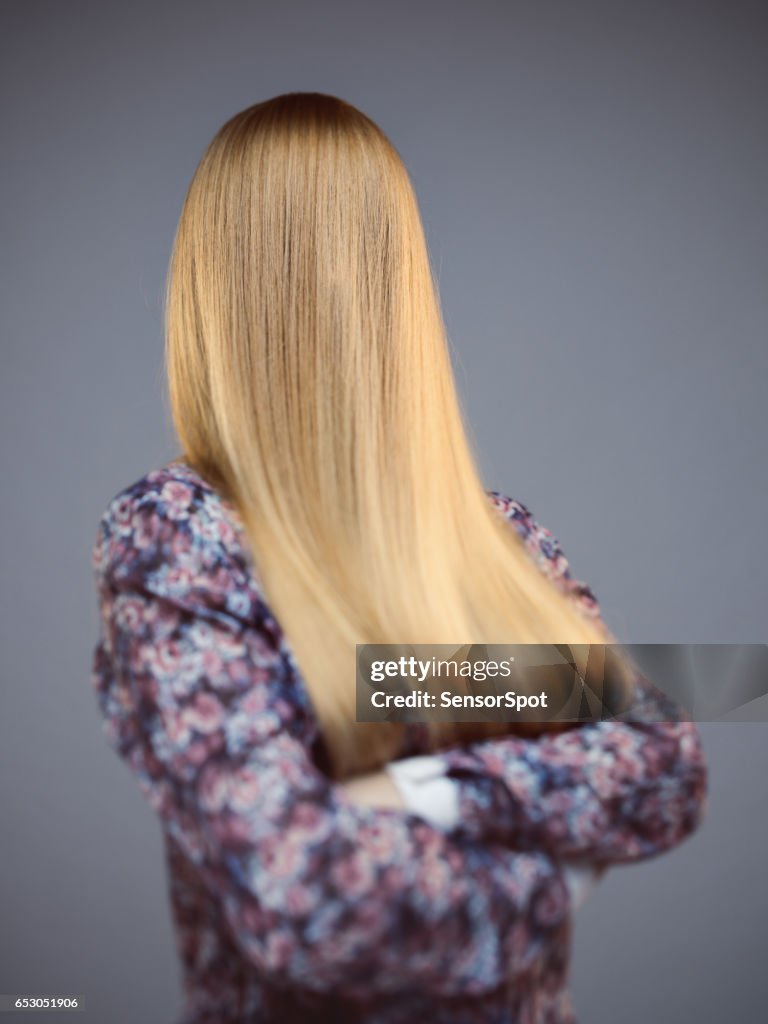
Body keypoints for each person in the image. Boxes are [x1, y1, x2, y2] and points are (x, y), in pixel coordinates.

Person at [90, 92, 707, 1024]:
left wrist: (424, 787)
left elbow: (659, 759)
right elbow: (310, 897)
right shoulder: (183, 536)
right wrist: (553, 881)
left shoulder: (493, 537)